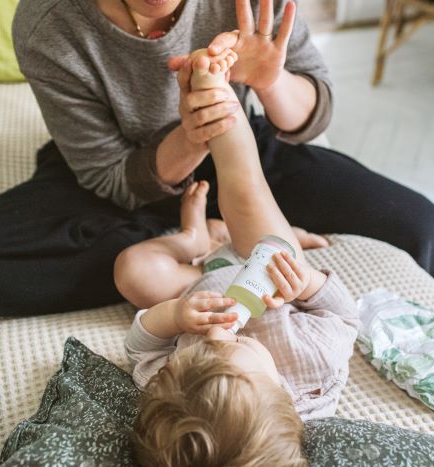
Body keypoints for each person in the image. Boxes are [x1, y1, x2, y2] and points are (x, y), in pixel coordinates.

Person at [0, 0, 434, 318]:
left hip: (238, 142)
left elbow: (310, 118)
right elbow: (107, 176)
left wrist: (269, 82)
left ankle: (200, 240)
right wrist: (189, 135)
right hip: (119, 169)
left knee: (423, 228)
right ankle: (204, 241)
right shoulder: (48, 22)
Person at [125, 48, 359, 467]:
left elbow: (138, 346)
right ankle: (220, 107)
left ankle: (192, 237)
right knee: (265, 227)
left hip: (196, 279)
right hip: (261, 265)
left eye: (202, 355)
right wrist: (305, 284)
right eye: (236, 344)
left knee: (133, 271)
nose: (218, 334)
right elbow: (345, 317)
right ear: (280, 391)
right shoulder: (313, 366)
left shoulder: (176, 393)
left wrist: (177, 317)